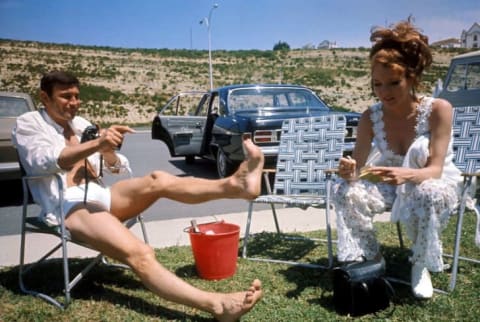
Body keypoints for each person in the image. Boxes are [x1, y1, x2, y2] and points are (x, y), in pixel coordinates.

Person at [12, 70, 264, 321]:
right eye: (66, 96)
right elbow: (43, 162)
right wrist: (96, 144)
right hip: (68, 205)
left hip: (100, 194)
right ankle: (217, 306)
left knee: (158, 179)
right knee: (140, 253)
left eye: (77, 96)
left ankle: (235, 185)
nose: (74, 103)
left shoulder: (82, 125)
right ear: (45, 97)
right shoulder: (29, 123)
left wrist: (109, 150)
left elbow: (117, 167)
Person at [332, 18, 463, 299]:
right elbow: (360, 170)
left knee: (427, 191)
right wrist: (350, 172)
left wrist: (407, 175)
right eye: (377, 84)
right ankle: (371, 259)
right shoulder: (370, 117)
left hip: (431, 181)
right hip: (392, 184)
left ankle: (419, 264)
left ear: (412, 77)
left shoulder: (439, 109)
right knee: (345, 190)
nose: (384, 92)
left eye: (393, 83)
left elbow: (436, 169)